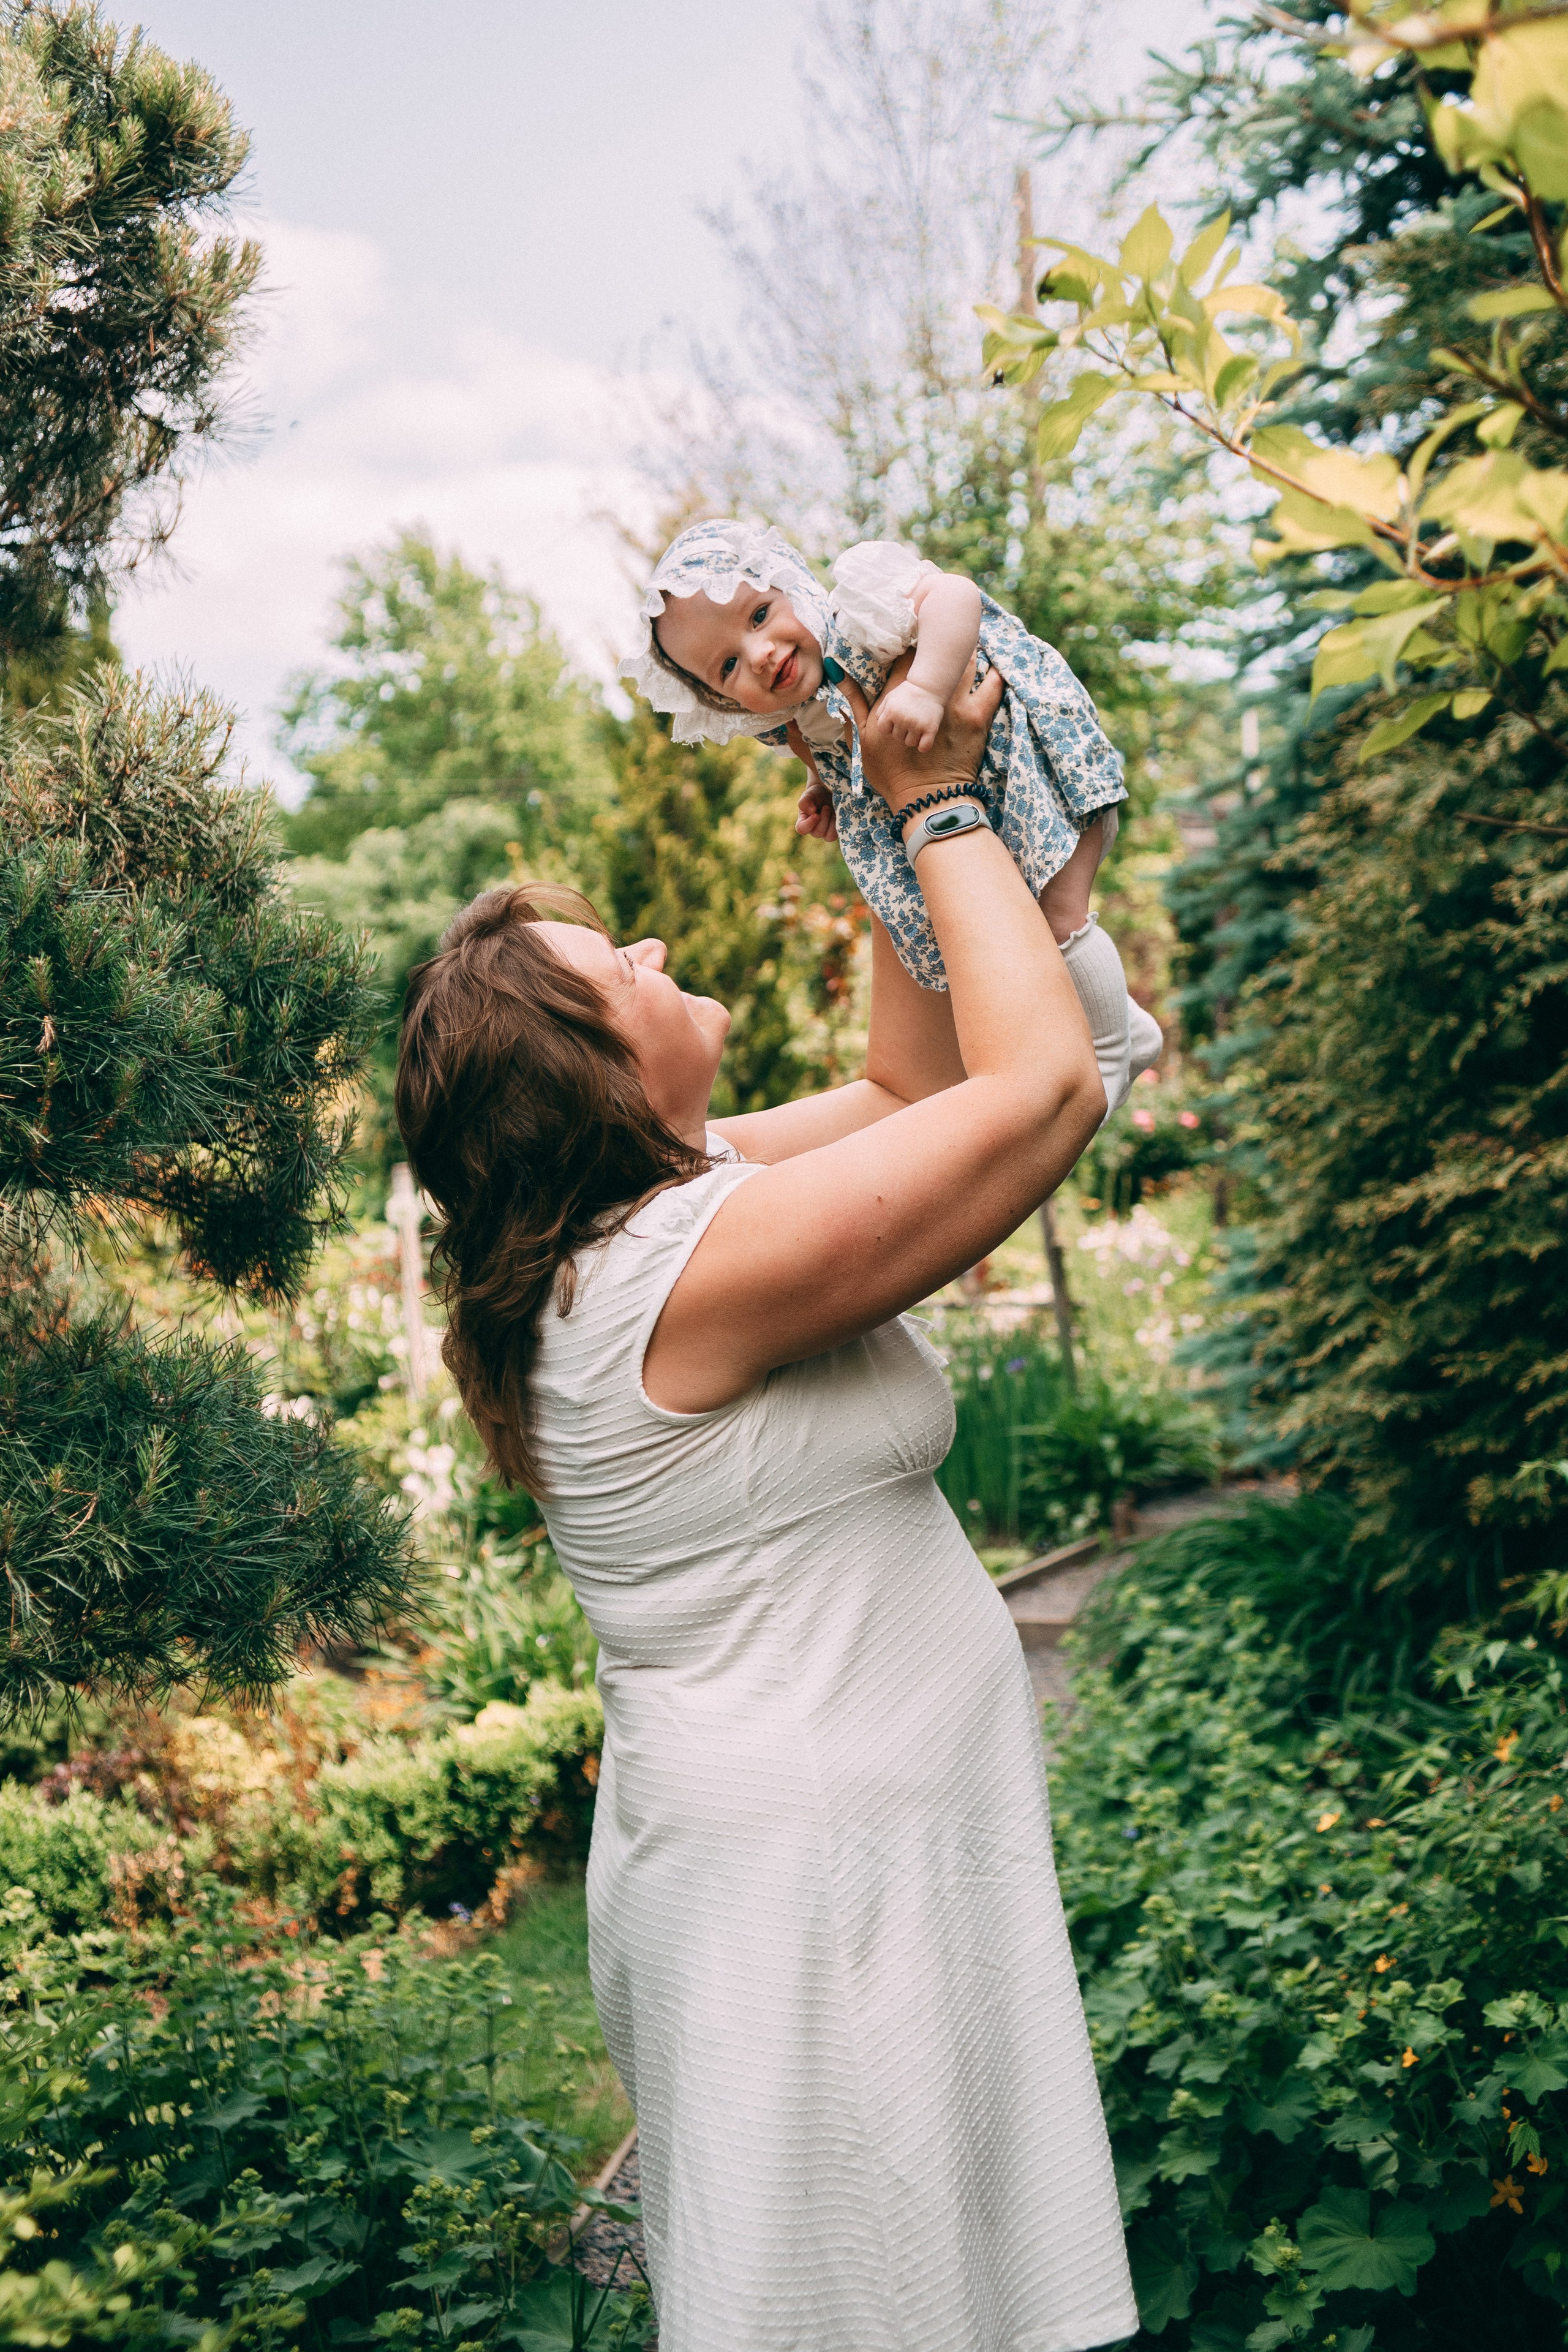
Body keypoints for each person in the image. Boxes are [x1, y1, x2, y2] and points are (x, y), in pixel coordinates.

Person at [394, 660, 1138, 2352]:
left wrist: (875, 818)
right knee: (862, 2303)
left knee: (924, 2290)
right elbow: (1034, 1097)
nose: (654, 953)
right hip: (809, 1893)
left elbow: (900, 1098)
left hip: (856, 1854)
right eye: (617, 972)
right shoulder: (673, 1279)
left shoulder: (664, 1224)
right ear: (584, 1074)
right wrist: (946, 798)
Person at [619, 516, 1163, 1115]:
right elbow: (843, 741)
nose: (759, 654)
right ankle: (1121, 1023)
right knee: (1019, 933)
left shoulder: (862, 609)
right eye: (725, 668)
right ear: (716, 700)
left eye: (758, 616)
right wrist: (822, 786)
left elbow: (955, 595)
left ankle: (1112, 1051)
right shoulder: (794, 714)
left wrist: (927, 687)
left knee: (1060, 916)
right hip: (985, 812)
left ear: (791, 584)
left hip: (1030, 765)